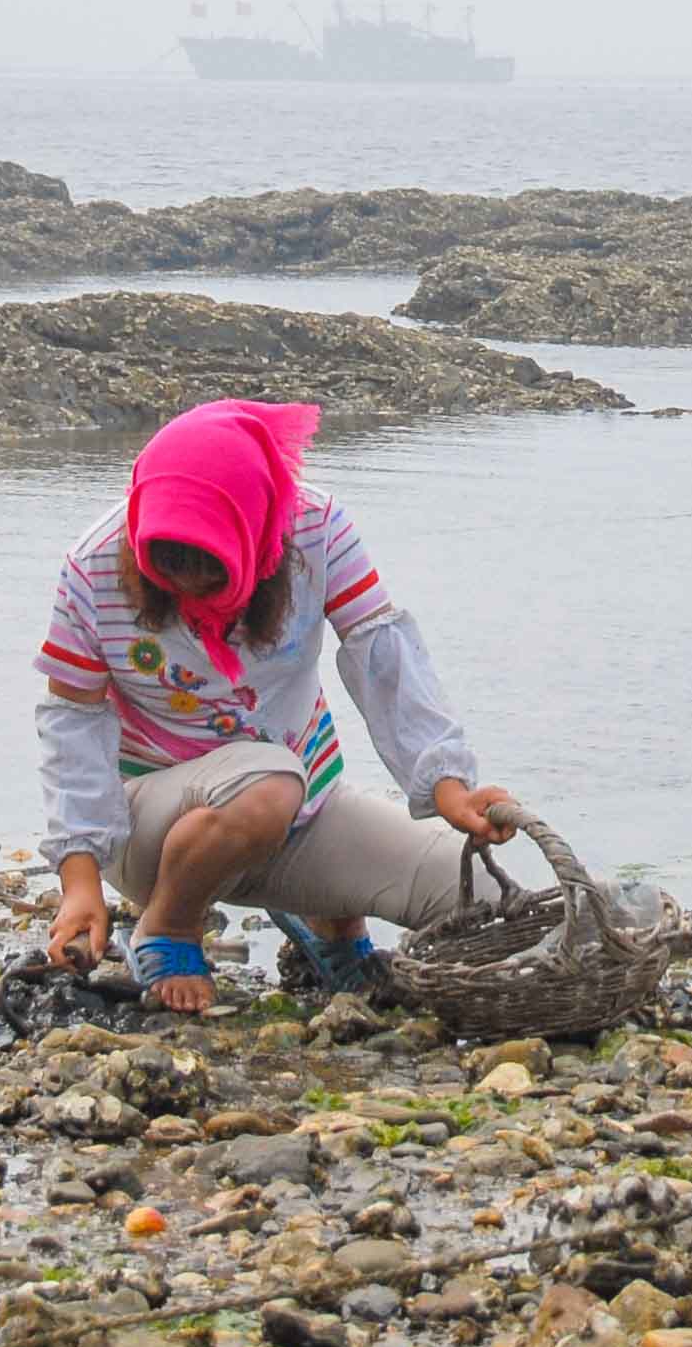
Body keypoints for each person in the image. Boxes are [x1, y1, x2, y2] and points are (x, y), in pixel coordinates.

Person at [35, 397, 515, 1015]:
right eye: (170, 574)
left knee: (475, 893)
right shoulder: (94, 566)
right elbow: (74, 725)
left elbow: (384, 661)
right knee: (269, 782)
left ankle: (329, 924)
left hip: (297, 812)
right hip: (154, 828)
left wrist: (447, 787)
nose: (190, 593)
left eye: (212, 576)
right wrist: (80, 882)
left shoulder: (316, 530)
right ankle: (169, 928)